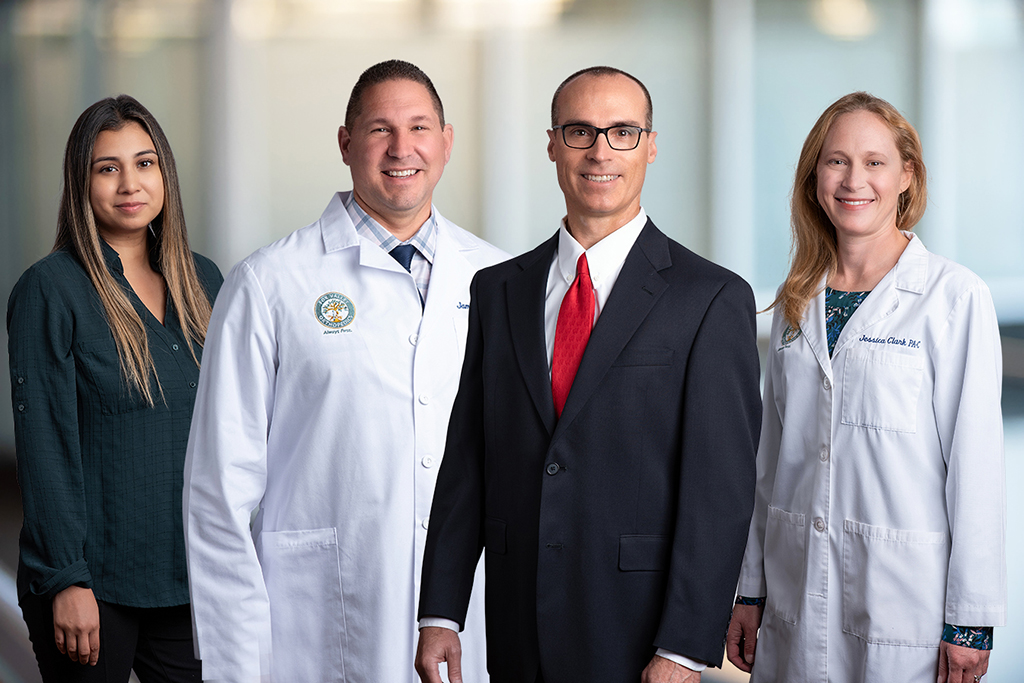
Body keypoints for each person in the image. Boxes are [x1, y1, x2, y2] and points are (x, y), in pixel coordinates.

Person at [415, 66, 762, 683]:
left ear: (651, 146)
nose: (601, 151)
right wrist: (441, 611)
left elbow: (721, 491)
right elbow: (468, 459)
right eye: (580, 132)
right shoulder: (498, 291)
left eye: (622, 132)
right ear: (552, 145)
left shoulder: (709, 298)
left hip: (637, 630)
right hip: (519, 623)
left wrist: (683, 647)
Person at [183, 59, 506, 683]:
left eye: (419, 128)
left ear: (446, 141)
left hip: (469, 626)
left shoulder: (499, 279)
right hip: (318, 628)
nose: (401, 148)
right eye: (379, 129)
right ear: (345, 143)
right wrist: (235, 667)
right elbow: (219, 494)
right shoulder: (270, 283)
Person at [725, 92, 1006, 683]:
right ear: (814, 176)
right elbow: (768, 462)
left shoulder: (953, 298)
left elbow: (976, 468)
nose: (855, 180)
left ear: (907, 175)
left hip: (905, 604)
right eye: (836, 161)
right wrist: (749, 589)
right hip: (792, 593)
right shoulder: (795, 300)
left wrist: (970, 622)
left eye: (875, 162)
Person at [7, 95, 223, 682]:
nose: (130, 183)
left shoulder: (203, 280)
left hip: (189, 577)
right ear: (83, 182)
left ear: (165, 175)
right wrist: (66, 579)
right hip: (95, 583)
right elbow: (45, 444)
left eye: (145, 163)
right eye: (108, 168)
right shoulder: (51, 289)